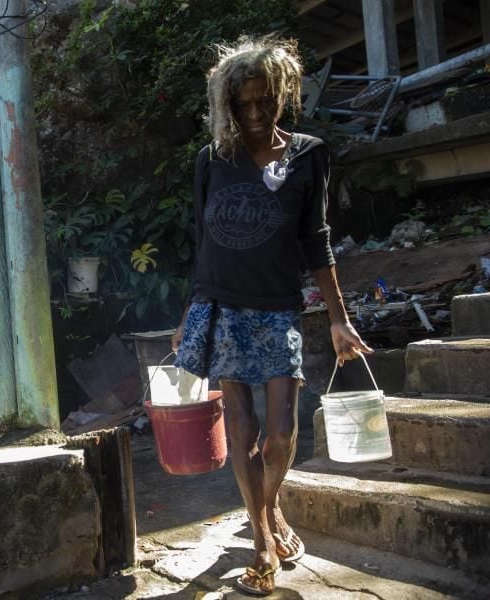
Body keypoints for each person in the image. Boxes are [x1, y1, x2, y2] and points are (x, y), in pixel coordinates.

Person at [171, 37, 372, 596]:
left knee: (281, 434)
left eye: (266, 102)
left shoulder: (309, 154)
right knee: (243, 429)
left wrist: (338, 318)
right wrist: (193, 308)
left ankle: (271, 502)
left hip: (278, 306)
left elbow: (318, 240)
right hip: (223, 306)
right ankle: (262, 537)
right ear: (226, 105)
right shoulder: (212, 158)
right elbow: (203, 238)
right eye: (242, 105)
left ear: (284, 94)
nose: (255, 114)